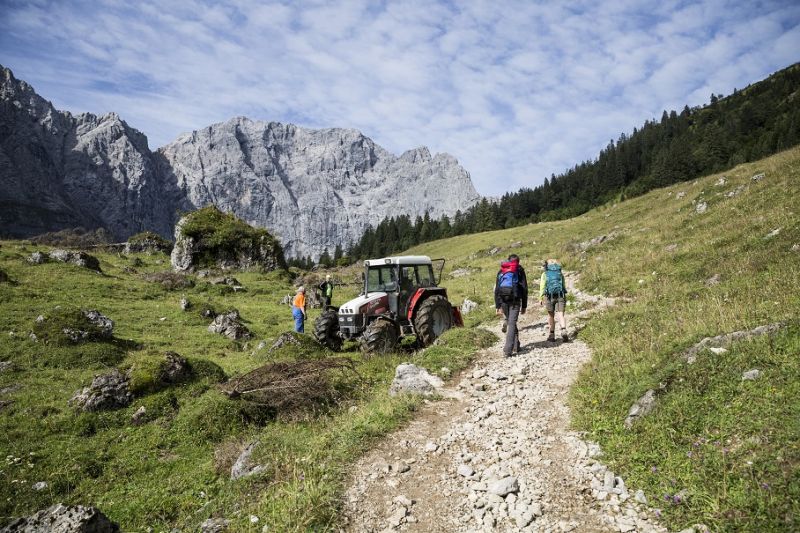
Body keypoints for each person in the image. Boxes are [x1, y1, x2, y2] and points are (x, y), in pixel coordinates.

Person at [494, 254, 528, 356]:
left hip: (503, 300)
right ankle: (507, 350)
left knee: (510, 322)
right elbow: (524, 289)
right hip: (515, 300)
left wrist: (497, 305)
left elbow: (497, 290)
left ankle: (516, 346)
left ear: (508, 261)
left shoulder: (501, 271)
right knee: (512, 323)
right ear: (518, 261)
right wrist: (524, 305)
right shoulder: (519, 270)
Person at [539, 259, 568, 342]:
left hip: (549, 296)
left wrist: (540, 298)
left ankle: (551, 335)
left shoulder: (545, 274)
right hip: (560, 295)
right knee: (560, 314)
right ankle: (563, 329)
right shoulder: (559, 273)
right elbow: (563, 285)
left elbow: (542, 287)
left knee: (551, 316)